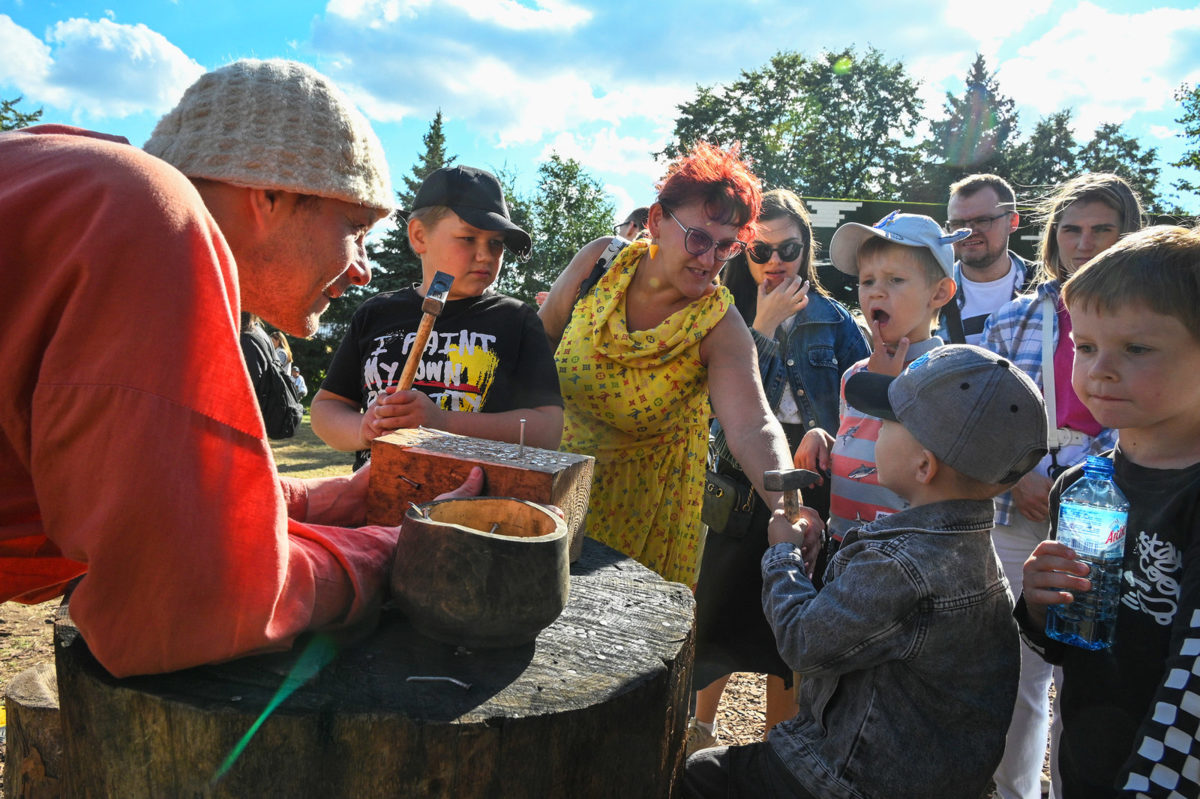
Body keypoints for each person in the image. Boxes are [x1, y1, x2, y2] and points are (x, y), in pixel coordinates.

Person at [0, 58, 482, 678]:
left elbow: (153, 488)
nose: (362, 268)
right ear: (270, 192)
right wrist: (399, 550)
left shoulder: (71, 182)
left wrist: (328, 499)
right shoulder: (150, 214)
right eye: (356, 228)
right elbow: (181, 602)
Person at [684, 344, 1047, 799]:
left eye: (887, 422)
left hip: (843, 780)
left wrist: (783, 556)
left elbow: (802, 640)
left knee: (697, 776)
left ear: (924, 465)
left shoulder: (901, 564)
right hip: (923, 779)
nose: (872, 430)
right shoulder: (970, 552)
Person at [538, 142, 823, 588]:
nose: (710, 261)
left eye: (726, 247)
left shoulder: (718, 324)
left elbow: (752, 425)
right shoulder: (600, 263)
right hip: (555, 488)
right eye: (698, 239)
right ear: (655, 221)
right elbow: (541, 341)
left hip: (646, 516)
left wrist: (789, 506)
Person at [1018, 225, 1200, 799]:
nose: (1100, 370)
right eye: (1087, 346)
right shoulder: (1080, 486)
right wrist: (1038, 604)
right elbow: (1064, 644)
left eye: (1137, 348)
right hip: (1086, 761)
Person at [688, 189, 869, 752]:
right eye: (759, 250)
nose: (774, 262)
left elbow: (864, 412)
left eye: (787, 248)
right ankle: (697, 739)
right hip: (742, 485)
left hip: (812, 485)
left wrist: (833, 437)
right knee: (715, 616)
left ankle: (778, 751)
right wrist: (760, 329)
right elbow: (716, 422)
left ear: (805, 246)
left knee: (790, 631)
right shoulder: (726, 316)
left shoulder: (837, 321)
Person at [980, 173, 1141, 799]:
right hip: (1017, 504)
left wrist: (1078, 479)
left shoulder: (1153, 318)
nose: (1085, 242)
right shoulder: (1015, 317)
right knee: (1014, 671)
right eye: (1071, 229)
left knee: (1087, 668)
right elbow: (990, 411)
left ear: (1128, 233)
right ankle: (1013, 791)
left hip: (1108, 507)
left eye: (1103, 229)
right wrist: (1018, 473)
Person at [310, 165, 564, 470]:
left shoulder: (516, 320)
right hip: (371, 499)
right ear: (419, 236)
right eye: (469, 238)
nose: (485, 254)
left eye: (495, 243)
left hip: (476, 507)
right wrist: (364, 428)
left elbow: (548, 428)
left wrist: (442, 422)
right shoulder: (376, 313)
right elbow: (327, 408)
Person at [794, 212, 966, 547]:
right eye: (867, 280)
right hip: (841, 544)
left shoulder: (950, 375)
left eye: (895, 280)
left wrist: (888, 392)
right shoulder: (855, 374)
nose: (875, 292)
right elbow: (865, 440)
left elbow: (931, 470)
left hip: (904, 556)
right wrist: (829, 441)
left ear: (940, 293)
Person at [938, 174, 1033, 345]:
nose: (968, 232)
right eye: (957, 223)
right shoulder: (932, 293)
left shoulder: (1047, 287)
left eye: (982, 220)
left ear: (1012, 221)